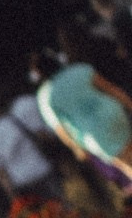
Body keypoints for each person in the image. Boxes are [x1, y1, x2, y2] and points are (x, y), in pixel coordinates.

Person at [38, 33, 132, 193]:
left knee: (127, 164)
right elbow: (111, 90)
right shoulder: (79, 69)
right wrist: (129, 104)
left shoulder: (47, 96)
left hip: (94, 134)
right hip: (113, 114)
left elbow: (61, 129)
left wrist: (77, 148)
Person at [0, 92, 62, 203]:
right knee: (61, 205)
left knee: (44, 215)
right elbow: (40, 135)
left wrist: (13, 198)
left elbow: (1, 174)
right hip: (42, 169)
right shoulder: (14, 121)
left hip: (23, 182)